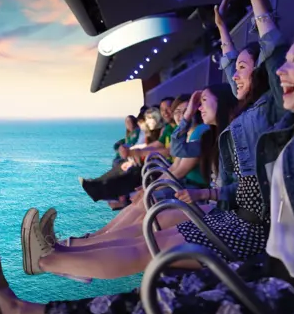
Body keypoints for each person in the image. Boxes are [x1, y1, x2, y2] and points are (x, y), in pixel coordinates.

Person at [0, 26, 294, 314]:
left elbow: (266, 69)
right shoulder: (291, 137)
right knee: (156, 293)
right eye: (284, 60)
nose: (282, 67)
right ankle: (21, 312)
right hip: (271, 271)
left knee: (162, 309)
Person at [23, 0, 288, 280]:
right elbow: (228, 64)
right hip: (229, 214)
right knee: (148, 232)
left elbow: (274, 51)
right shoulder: (246, 109)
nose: (234, 72)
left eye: (243, 68)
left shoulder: (271, 111)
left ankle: (48, 261)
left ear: (264, 75)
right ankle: (64, 250)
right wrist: (221, 27)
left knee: (147, 242)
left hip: (249, 230)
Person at [55, 90, 221, 246]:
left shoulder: (200, 131)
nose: (179, 115)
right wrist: (147, 188)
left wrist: (149, 189)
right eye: (177, 111)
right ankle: (98, 236)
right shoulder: (190, 132)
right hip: (183, 185)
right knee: (141, 200)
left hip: (191, 189)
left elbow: (179, 170)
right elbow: (175, 167)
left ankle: (99, 240)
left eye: (184, 111)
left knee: (145, 201)